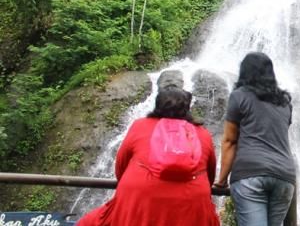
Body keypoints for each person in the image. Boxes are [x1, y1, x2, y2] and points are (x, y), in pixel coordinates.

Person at [78, 87, 219, 226]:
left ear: (157, 105)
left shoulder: (140, 126)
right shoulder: (202, 133)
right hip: (192, 201)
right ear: (187, 108)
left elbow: (121, 165)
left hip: (139, 197)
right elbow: (210, 176)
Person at [214, 52, 296, 226]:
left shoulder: (239, 96)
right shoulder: (285, 103)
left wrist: (221, 182)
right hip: (284, 176)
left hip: (251, 174)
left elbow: (230, 141)